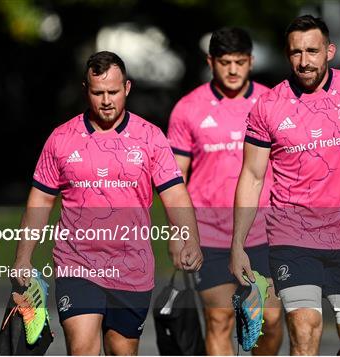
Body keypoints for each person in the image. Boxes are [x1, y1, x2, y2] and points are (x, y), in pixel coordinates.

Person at [230, 15, 340, 355]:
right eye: (296, 53)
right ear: (287, 54)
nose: (304, 61)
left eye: (312, 51)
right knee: (305, 330)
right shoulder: (268, 106)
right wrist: (238, 243)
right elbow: (252, 175)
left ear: (330, 51)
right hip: (293, 236)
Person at [12, 51, 203, 355]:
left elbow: (175, 194)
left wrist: (189, 238)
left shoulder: (150, 137)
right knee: (82, 348)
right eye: (98, 92)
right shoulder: (61, 139)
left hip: (132, 268)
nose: (106, 101)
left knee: (121, 351)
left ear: (127, 88)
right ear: (85, 89)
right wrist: (23, 258)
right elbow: (40, 200)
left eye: (113, 92)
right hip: (77, 265)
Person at [167, 27, 283, 355]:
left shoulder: (272, 102)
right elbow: (175, 178)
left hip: (265, 232)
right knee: (219, 320)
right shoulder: (187, 109)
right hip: (210, 234)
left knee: (271, 321)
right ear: (210, 62)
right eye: (225, 62)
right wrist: (179, 232)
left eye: (240, 62)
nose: (232, 70)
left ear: (251, 61)